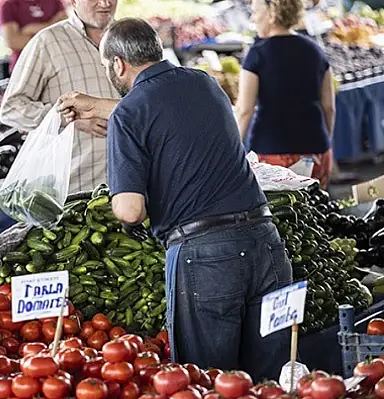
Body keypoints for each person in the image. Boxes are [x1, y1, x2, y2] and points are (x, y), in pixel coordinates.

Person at [57, 18, 292, 380]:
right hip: (266, 244)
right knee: (272, 381)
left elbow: (130, 209)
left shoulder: (129, 114)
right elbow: (162, 109)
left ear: (118, 64)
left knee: (208, 380)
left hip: (207, 258)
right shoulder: (204, 82)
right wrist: (96, 106)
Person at [0, 0, 120, 193]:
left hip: (130, 186)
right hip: (75, 191)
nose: (105, 3)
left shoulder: (130, 39)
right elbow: (11, 108)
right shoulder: (47, 42)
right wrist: (64, 118)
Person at [235, 0, 336, 188]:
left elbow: (244, 110)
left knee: (282, 214)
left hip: (272, 154)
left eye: (256, 12)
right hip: (316, 151)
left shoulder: (257, 54)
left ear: (272, 14)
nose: (252, 18)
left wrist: (232, 150)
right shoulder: (315, 50)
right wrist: (324, 142)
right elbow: (329, 107)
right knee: (318, 211)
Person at [0, 0, 67, 73]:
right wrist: (51, 25)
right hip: (24, 69)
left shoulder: (55, 1)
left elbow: (64, 33)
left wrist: (30, 30)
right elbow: (13, 42)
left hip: (56, 67)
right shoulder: (9, 5)